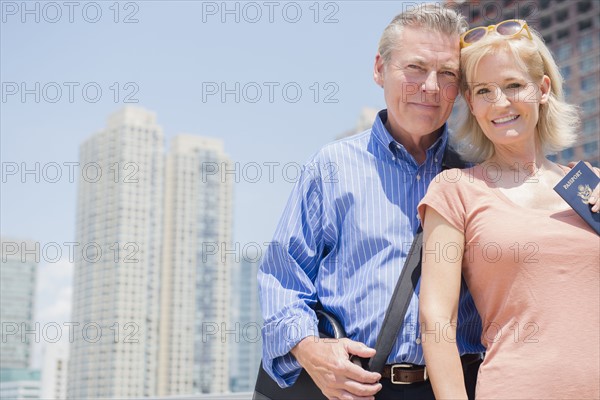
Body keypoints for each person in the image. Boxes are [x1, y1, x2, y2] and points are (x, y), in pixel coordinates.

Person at [258, 4, 486, 399]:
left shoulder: (479, 175)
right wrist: (312, 351)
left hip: (454, 389)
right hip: (347, 387)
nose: (430, 87)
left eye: (447, 74)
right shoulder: (331, 167)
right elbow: (282, 282)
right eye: (415, 68)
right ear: (380, 69)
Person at [418, 19, 600, 399]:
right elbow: (437, 320)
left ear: (543, 89)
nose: (500, 102)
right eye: (484, 90)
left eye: (514, 85)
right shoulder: (455, 191)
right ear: (471, 103)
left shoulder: (591, 183)